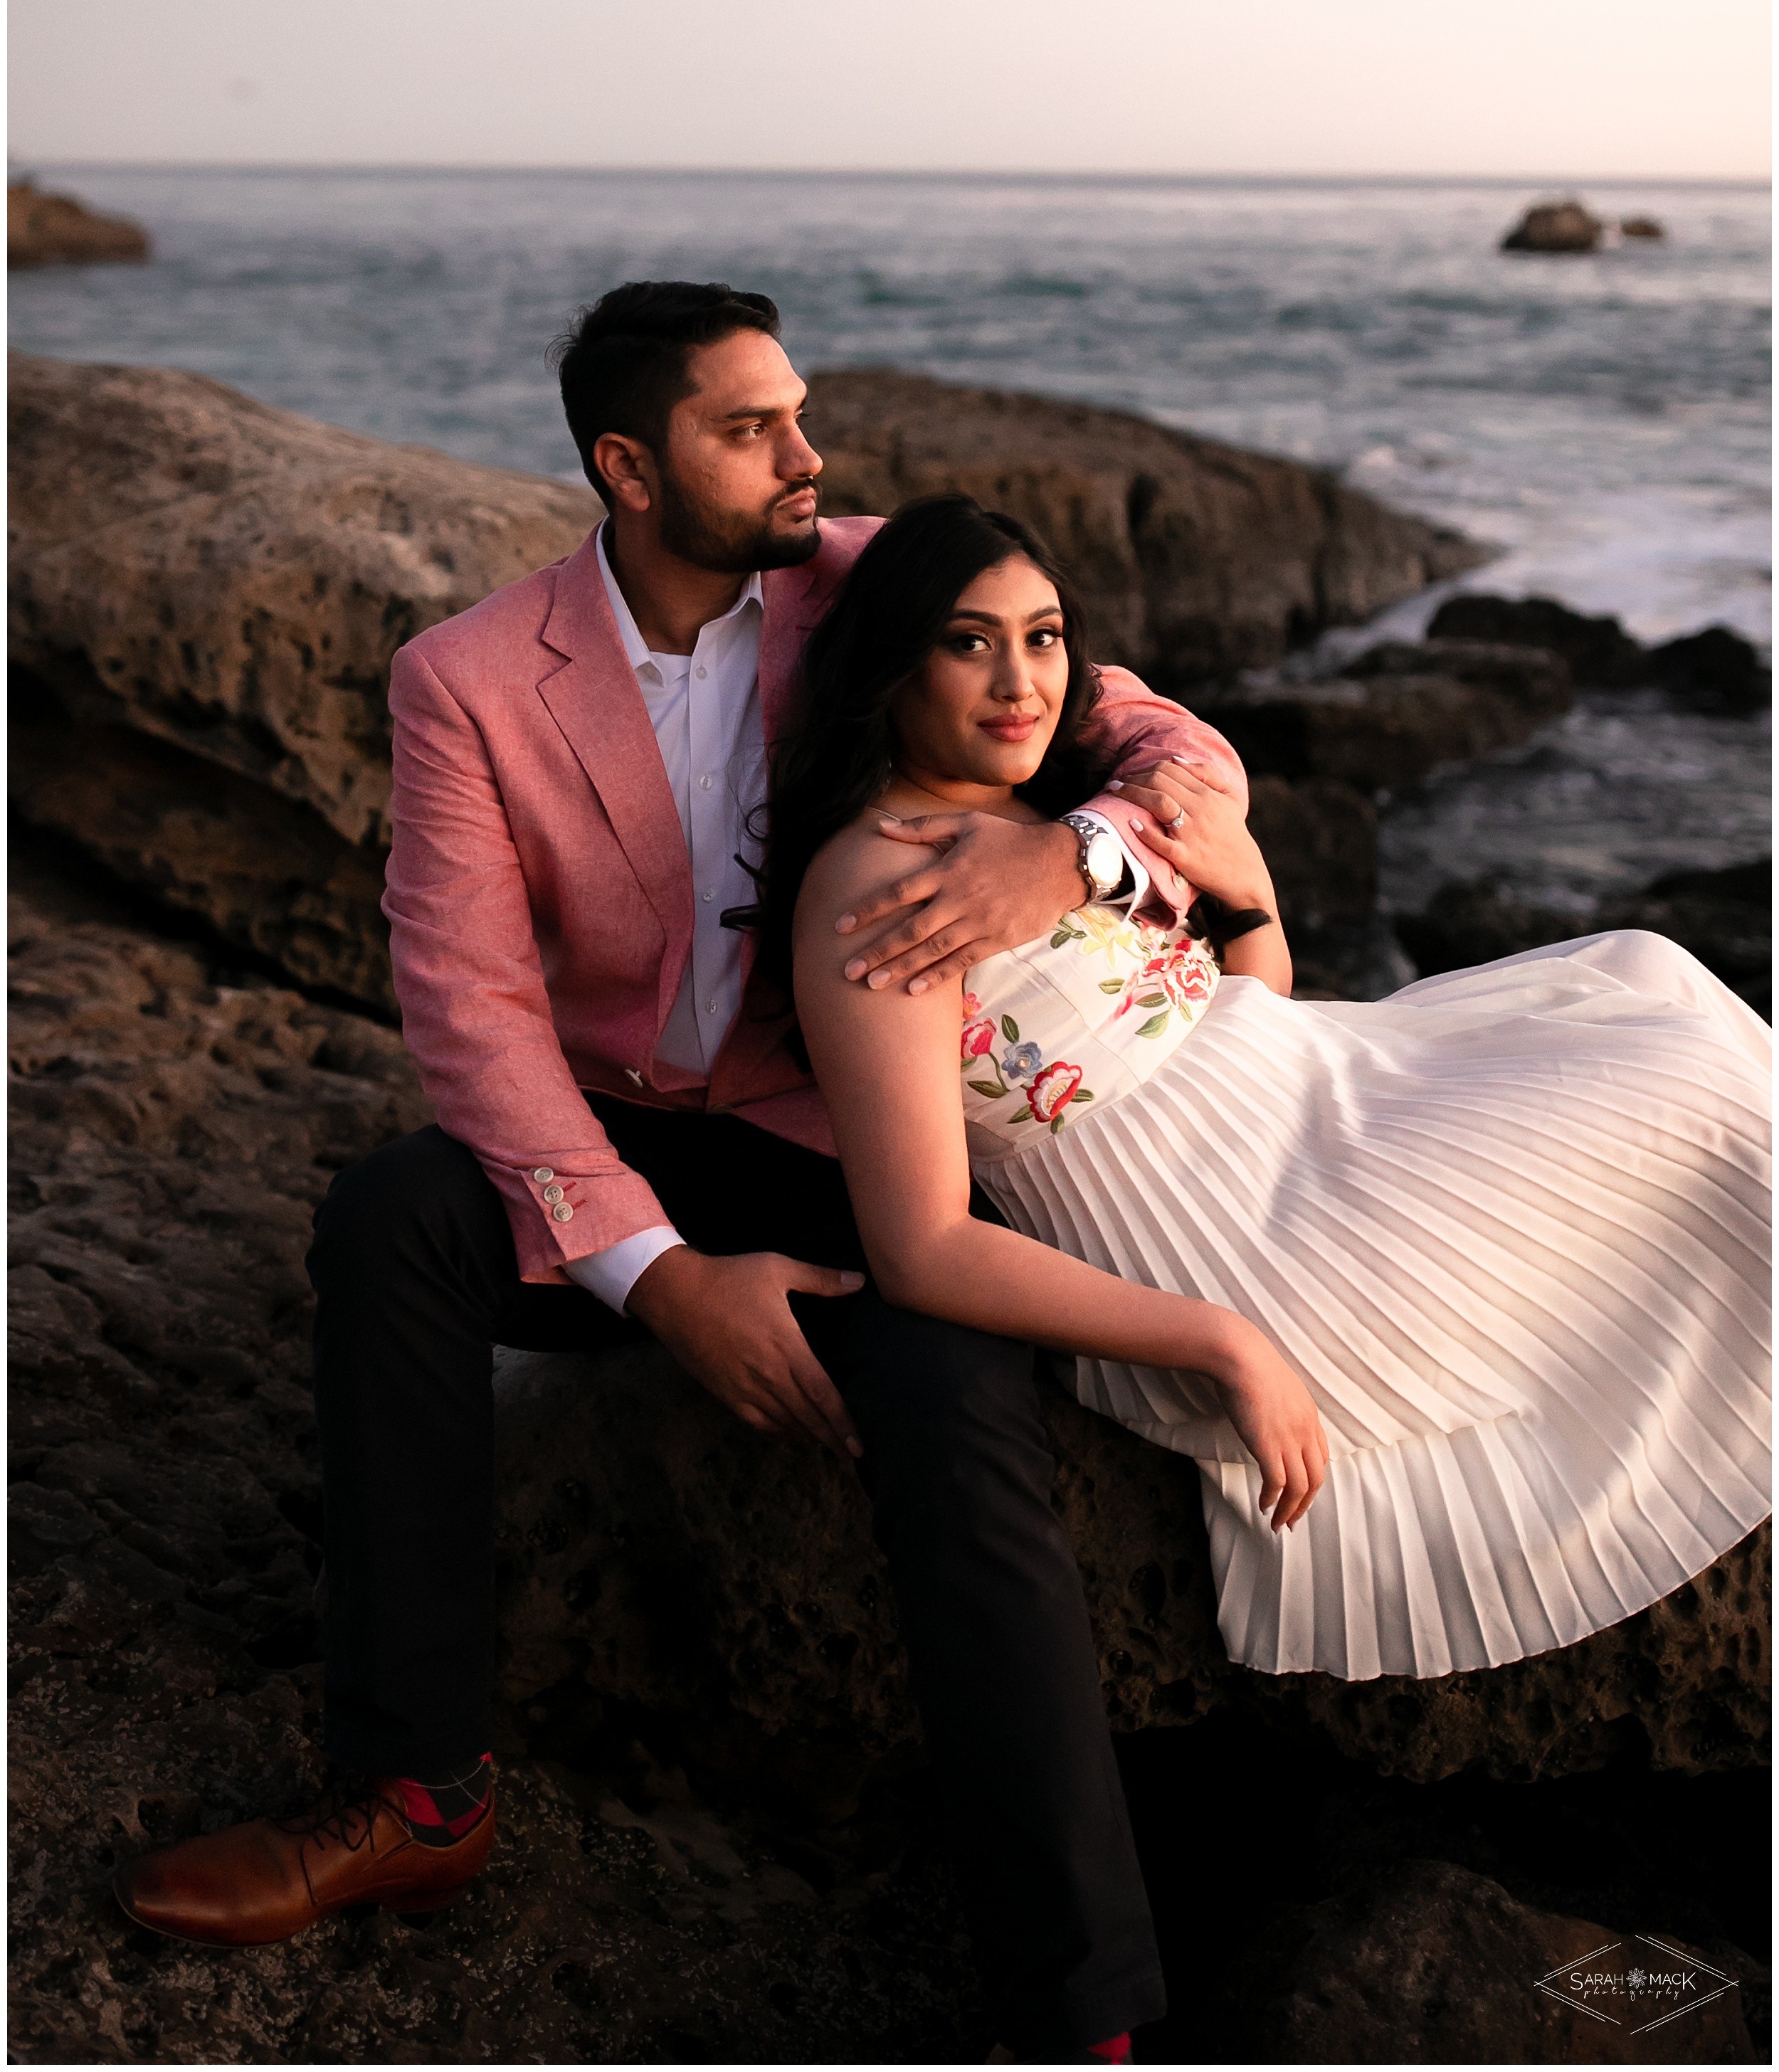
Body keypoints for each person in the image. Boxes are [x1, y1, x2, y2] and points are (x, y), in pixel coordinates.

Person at [113, 282, 1249, 2063]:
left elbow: (1173, 744)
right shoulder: (470, 681)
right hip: (618, 1134)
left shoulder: (868, 580)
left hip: (842, 1135)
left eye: (798, 415)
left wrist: (1078, 859)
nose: (807, 456)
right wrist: (658, 1278)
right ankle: (418, 1796)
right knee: (388, 1220)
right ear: (627, 468)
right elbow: (472, 1022)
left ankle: (1081, 2014)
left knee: (962, 1411)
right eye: (751, 429)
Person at [765, 493, 1772, 1685]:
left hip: (1317, 1094)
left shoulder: (1048, 818)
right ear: (890, 664)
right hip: (1245, 1224)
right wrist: (1228, 1344)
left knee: (1647, 972)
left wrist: (1250, 905)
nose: (1021, 682)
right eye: (968, 641)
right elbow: (922, 1246)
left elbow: (1234, 1009)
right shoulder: (878, 893)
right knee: (1696, 1088)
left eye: (1043, 637)